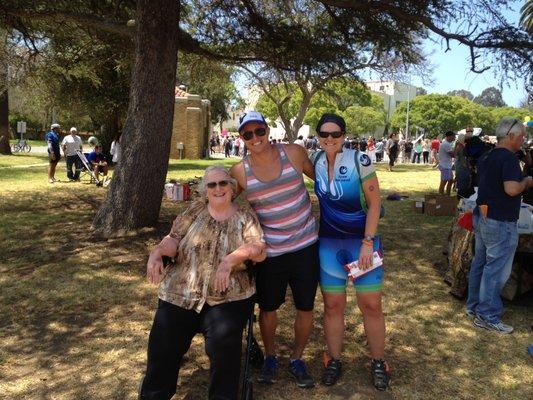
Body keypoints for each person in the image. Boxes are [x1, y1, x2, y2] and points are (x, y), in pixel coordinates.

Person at [140, 165, 266, 400]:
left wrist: (231, 260)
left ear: (232, 187)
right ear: (205, 190)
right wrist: (157, 252)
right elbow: (173, 240)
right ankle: (154, 394)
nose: (218, 189)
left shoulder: (245, 218)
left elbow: (259, 250)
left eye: (223, 183)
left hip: (227, 298)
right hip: (182, 292)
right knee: (163, 344)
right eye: (212, 185)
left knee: (224, 345)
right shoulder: (194, 212)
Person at [230, 111, 319, 388]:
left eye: (259, 131)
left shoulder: (293, 153)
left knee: (305, 306)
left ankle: (296, 359)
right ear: (241, 139)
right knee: (268, 308)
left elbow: (326, 184)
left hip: (306, 245)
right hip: (271, 252)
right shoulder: (240, 172)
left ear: (268, 131)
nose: (255, 138)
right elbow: (224, 203)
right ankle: (270, 357)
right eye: (248, 134)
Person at [310, 113, 390, 391]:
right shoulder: (316, 161)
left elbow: (376, 202)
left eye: (335, 134)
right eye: (324, 134)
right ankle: (333, 359)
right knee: (333, 306)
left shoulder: (360, 160)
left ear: (343, 136)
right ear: (318, 135)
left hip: (361, 245)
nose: (329, 139)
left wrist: (367, 242)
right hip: (329, 245)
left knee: (370, 305)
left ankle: (379, 361)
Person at [466, 117, 533, 334]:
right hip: (499, 220)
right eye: (522, 135)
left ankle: (474, 306)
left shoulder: (488, 155)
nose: (524, 139)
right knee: (495, 270)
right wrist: (528, 181)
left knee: (481, 263)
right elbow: (512, 189)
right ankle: (487, 315)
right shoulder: (509, 159)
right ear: (511, 136)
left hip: (484, 214)